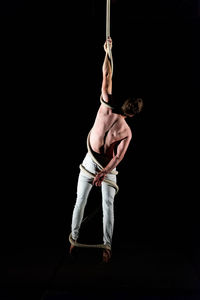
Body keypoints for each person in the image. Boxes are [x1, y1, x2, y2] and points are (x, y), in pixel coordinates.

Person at [70, 37, 143, 263]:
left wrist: (108, 53)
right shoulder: (126, 130)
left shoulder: (105, 103)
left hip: (103, 166)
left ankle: (103, 245)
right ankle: (78, 241)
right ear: (131, 114)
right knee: (91, 202)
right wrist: (108, 51)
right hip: (98, 163)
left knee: (92, 202)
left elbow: (106, 75)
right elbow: (118, 156)